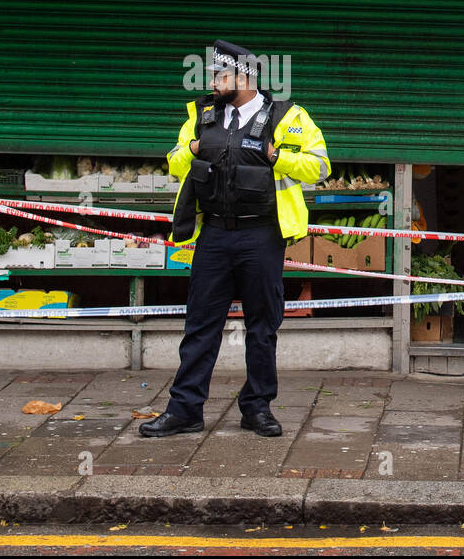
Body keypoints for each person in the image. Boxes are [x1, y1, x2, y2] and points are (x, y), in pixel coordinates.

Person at [141, 40, 329, 438]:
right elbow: (174, 160)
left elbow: (319, 166)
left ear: (244, 76)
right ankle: (185, 409)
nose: (212, 82)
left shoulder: (288, 116)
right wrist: (192, 148)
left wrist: (279, 156)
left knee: (262, 326)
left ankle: (257, 408)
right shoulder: (201, 114)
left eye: (219, 75)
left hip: (262, 235)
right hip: (213, 234)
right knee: (200, 324)